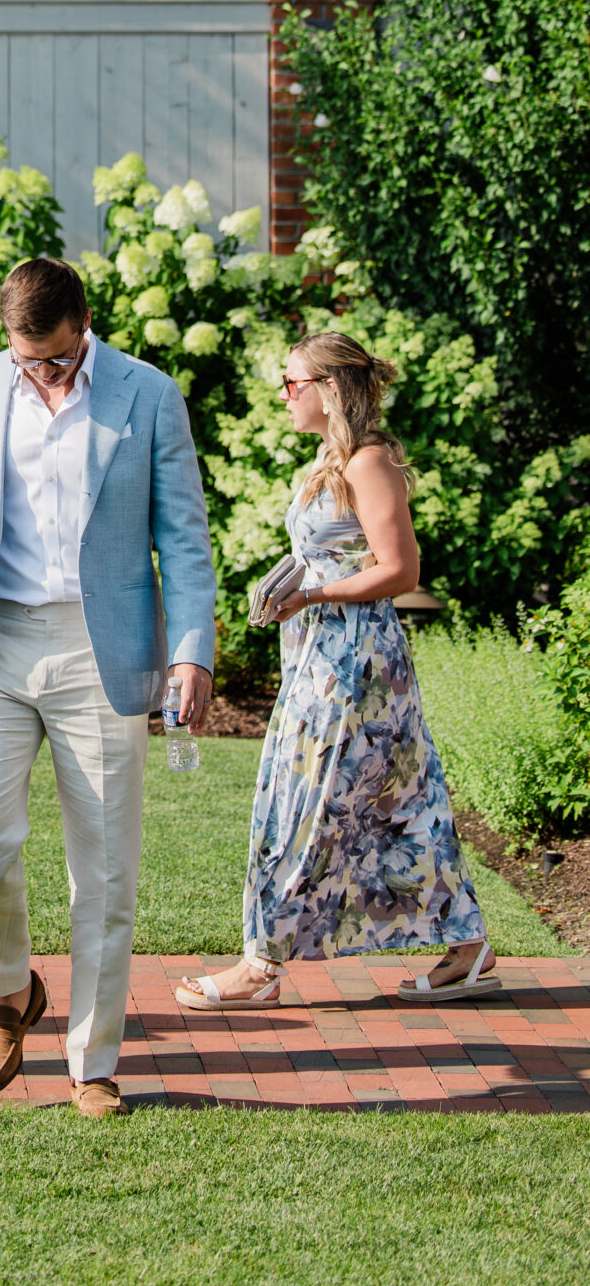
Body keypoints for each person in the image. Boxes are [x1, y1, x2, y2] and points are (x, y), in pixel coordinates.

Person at [0, 255, 216, 1119]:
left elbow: (184, 534)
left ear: (82, 323)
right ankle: (11, 991)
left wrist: (193, 650)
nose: (43, 374)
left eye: (56, 358)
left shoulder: (146, 392)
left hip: (104, 649)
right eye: (28, 361)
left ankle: (92, 1064)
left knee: (103, 872)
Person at [176, 332, 497, 1012]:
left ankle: (259, 963)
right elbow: (333, 553)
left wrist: (313, 594)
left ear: (328, 388)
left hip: (354, 666)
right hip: (320, 657)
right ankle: (467, 949)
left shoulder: (368, 460)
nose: (283, 395)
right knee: (392, 802)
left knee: (306, 803)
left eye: (291, 383)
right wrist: (292, 582)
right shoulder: (332, 458)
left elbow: (400, 570)